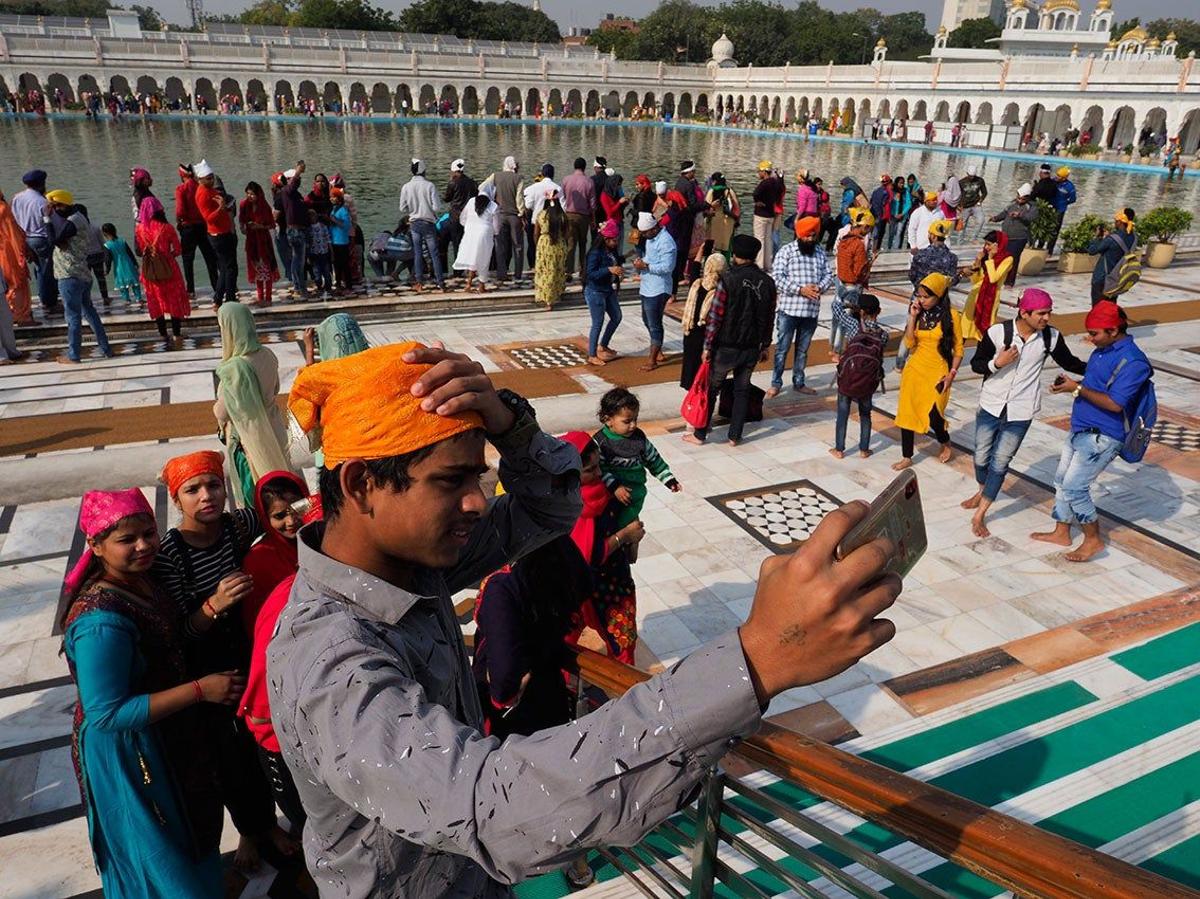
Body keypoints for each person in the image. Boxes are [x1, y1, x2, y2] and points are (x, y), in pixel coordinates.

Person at [269, 339, 899, 898]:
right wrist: (756, 660)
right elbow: (489, 808)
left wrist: (510, 426)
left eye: (480, 477)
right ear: (358, 485)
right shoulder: (326, 661)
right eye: (451, 480)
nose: (477, 500)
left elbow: (547, 511)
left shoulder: (407, 567)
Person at [60, 488, 232, 899]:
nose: (143, 546)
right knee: (157, 860)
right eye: (126, 540)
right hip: (128, 755)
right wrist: (199, 691)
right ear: (96, 546)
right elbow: (106, 714)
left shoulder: (142, 581)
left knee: (190, 839)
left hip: (164, 735)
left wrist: (211, 609)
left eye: (148, 534)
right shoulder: (100, 622)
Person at [152, 451, 296, 872]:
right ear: (177, 501)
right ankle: (253, 829)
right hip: (209, 664)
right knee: (229, 752)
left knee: (263, 739)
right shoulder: (170, 554)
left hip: (249, 648)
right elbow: (181, 631)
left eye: (213, 485)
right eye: (192, 490)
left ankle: (267, 821)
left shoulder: (236, 525)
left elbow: (276, 509)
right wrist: (213, 605)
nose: (206, 497)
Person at [1032, 301, 1152, 562]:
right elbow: (1096, 383)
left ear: (1113, 330)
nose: (1090, 338)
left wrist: (1076, 389)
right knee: (1061, 481)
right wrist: (1072, 385)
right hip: (1081, 426)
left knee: (1075, 487)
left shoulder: (1133, 362)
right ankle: (1062, 531)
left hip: (1103, 435)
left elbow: (1115, 403)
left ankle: (1093, 540)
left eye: (1095, 333)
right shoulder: (1103, 349)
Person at [964, 288, 1086, 538]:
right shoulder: (997, 333)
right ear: (1024, 312)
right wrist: (997, 363)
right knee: (981, 456)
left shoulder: (1050, 337)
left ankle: (981, 513)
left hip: (1022, 409)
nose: (1046, 318)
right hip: (991, 403)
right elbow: (976, 364)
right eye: (1041, 313)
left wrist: (1105, 371)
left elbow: (1071, 362)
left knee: (1000, 461)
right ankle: (982, 488)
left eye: (1049, 312)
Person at [237, 471, 309, 831]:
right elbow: (259, 629)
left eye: (297, 507)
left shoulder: (318, 539)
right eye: (279, 515)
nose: (291, 520)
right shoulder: (260, 560)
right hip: (282, 674)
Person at [473, 534, 594, 739]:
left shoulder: (503, 587)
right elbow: (584, 584)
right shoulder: (558, 548)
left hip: (515, 720)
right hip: (551, 693)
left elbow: (503, 686)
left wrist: (506, 691)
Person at [688, 233, 777, 446]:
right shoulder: (767, 282)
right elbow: (769, 316)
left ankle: (700, 434)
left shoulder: (728, 280)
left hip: (726, 346)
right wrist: (765, 345)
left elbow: (716, 317)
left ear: (735, 255)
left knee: (713, 389)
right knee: (742, 390)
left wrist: (707, 345)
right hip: (751, 347)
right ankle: (735, 435)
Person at [214, 302, 292, 504]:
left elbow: (223, 412)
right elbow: (275, 388)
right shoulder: (267, 354)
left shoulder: (235, 368)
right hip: (274, 426)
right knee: (280, 477)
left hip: (249, 438)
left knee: (257, 490)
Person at [593, 386, 681, 561]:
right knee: (620, 526)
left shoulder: (638, 438)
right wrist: (615, 487)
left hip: (635, 493)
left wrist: (668, 478)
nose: (633, 425)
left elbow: (653, 459)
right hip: (611, 496)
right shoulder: (601, 442)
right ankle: (620, 549)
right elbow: (599, 469)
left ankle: (629, 552)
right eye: (627, 421)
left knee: (633, 525)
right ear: (608, 419)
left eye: (635, 420)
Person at [893, 272, 963, 471]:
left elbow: (958, 349)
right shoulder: (918, 313)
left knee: (934, 414)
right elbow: (909, 343)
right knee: (908, 411)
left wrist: (952, 374)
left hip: (939, 371)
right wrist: (912, 317)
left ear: (939, 295)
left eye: (926, 297)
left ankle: (945, 441)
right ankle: (907, 456)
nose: (921, 300)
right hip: (915, 369)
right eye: (919, 296)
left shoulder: (952, 316)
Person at [45, 190, 112, 365]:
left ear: (63, 205)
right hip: (82, 274)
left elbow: (53, 239)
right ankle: (106, 348)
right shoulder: (80, 217)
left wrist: (46, 219)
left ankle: (73, 355)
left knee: (73, 316)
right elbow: (61, 238)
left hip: (70, 275)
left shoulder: (73, 222)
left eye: (55, 206)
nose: (54, 210)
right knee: (89, 312)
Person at [769, 217, 833, 398]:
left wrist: (820, 287)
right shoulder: (786, 251)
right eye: (807, 236)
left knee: (803, 351)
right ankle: (776, 383)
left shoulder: (819, 252)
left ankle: (799, 382)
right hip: (789, 310)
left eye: (814, 235)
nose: (810, 239)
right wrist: (800, 290)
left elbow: (829, 274)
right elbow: (777, 278)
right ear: (799, 234)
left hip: (810, 311)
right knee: (782, 348)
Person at [830, 293, 885, 460]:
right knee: (865, 414)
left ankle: (839, 449)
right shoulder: (883, 334)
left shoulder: (852, 324)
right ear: (879, 311)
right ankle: (864, 449)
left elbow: (835, 307)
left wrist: (847, 302)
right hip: (867, 380)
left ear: (860, 311)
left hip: (848, 377)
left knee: (842, 412)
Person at [134, 204, 192, 348]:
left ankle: (162, 333)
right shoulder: (167, 228)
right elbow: (178, 249)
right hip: (169, 269)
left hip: (150, 271)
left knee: (155, 300)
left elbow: (141, 250)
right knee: (174, 300)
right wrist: (167, 256)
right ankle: (177, 333)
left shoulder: (139, 229)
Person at [632, 210, 676, 372]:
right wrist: (641, 262)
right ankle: (657, 348)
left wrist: (647, 266)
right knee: (646, 319)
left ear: (653, 229)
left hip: (659, 288)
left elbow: (668, 267)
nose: (643, 236)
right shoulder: (651, 239)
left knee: (655, 322)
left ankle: (652, 360)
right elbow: (650, 259)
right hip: (647, 284)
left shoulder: (666, 242)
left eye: (645, 233)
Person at [12, 169, 59, 315]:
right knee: (47, 271)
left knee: (39, 270)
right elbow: (51, 222)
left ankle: (43, 297)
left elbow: (14, 220)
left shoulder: (17, 198)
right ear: (41, 184)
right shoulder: (42, 202)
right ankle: (49, 303)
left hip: (25, 239)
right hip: (41, 239)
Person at [194, 159, 239, 308]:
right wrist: (221, 208)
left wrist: (225, 207)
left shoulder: (209, 190)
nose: (211, 180)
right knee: (230, 268)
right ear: (200, 179)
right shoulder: (202, 194)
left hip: (222, 231)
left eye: (212, 177)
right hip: (219, 234)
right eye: (208, 178)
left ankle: (219, 299)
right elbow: (208, 218)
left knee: (226, 268)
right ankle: (229, 299)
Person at [399, 158, 447, 292]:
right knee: (434, 253)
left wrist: (413, 207)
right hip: (428, 222)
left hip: (414, 223)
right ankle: (440, 282)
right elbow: (436, 207)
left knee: (418, 253)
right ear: (423, 171)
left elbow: (402, 208)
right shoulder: (430, 186)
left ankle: (419, 282)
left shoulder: (406, 187)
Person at [680, 253, 726, 391]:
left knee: (690, 371)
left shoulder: (696, 284)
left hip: (690, 332)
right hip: (708, 337)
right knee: (706, 374)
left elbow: (695, 266)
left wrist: (701, 251)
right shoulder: (722, 290)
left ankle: (692, 401)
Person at [832, 211, 874, 354]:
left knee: (837, 315)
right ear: (865, 227)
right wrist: (867, 268)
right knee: (847, 319)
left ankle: (833, 347)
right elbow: (859, 269)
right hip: (852, 284)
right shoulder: (858, 244)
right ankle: (839, 350)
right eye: (869, 228)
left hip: (840, 279)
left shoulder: (844, 238)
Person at [959, 230, 1011, 343]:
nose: (986, 247)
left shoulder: (1007, 259)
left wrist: (990, 259)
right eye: (985, 244)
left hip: (990, 299)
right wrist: (977, 262)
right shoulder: (984, 257)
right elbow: (975, 281)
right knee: (965, 328)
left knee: (983, 331)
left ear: (997, 244)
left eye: (989, 244)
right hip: (975, 295)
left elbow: (993, 278)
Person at [584, 219, 624, 366]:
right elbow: (590, 274)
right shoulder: (595, 253)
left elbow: (615, 262)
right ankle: (592, 354)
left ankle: (604, 344)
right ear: (606, 239)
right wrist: (608, 270)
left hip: (608, 290)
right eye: (614, 240)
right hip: (595, 291)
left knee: (617, 316)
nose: (616, 242)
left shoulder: (611, 251)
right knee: (597, 323)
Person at [485, 156, 525, 284]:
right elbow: (519, 200)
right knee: (518, 246)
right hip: (514, 217)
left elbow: (482, 187)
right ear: (514, 166)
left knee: (500, 246)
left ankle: (501, 273)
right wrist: (522, 213)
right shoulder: (518, 178)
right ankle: (518, 274)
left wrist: (491, 202)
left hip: (499, 215)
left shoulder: (495, 176)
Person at [238, 182, 279, 307]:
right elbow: (241, 221)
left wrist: (259, 226)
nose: (250, 196)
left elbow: (271, 225)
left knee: (266, 268)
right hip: (252, 241)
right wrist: (243, 228)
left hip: (263, 241)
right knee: (257, 269)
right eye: (248, 194)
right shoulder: (244, 205)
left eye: (252, 194)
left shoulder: (264, 206)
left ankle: (268, 297)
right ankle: (260, 296)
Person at [989, 183, 1035, 287]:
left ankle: (1009, 281)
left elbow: (1031, 217)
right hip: (1005, 236)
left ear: (1027, 198)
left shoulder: (1031, 207)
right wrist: (995, 218)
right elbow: (1004, 213)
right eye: (1018, 198)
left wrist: (1019, 215)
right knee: (1001, 257)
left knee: (1012, 259)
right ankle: (999, 276)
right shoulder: (1012, 204)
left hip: (1019, 238)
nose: (1019, 200)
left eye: (1022, 199)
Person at [1087, 209, 1136, 305]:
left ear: (1120, 222)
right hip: (1117, 278)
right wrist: (1109, 237)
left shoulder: (1111, 239)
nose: (1115, 223)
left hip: (1102, 278)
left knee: (1098, 308)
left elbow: (1092, 250)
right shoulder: (1133, 237)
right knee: (1110, 306)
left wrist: (1098, 237)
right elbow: (1119, 244)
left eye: (1116, 221)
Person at [455, 188, 499, 293]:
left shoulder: (471, 201)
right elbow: (496, 226)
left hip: (470, 232)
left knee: (472, 258)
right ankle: (481, 286)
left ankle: (468, 284)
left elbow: (463, 217)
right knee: (484, 260)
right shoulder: (493, 205)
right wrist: (494, 233)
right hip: (485, 233)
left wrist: (468, 226)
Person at [0, 188, 34, 326]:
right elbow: (13, 234)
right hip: (9, 252)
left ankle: (11, 313)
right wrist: (21, 252)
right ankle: (21, 316)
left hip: (2, 251)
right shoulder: (3, 209)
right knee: (17, 282)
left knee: (7, 283)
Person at [531, 191, 569, 308]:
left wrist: (538, 244)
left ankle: (548, 299)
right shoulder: (562, 216)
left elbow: (536, 233)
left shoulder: (541, 215)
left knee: (545, 271)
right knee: (558, 270)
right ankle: (557, 293)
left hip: (544, 244)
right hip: (559, 244)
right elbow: (566, 233)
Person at [673, 160, 708, 287]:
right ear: (690, 172)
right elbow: (693, 205)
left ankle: (679, 274)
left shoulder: (679, 182)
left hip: (679, 219)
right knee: (683, 249)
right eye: (694, 171)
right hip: (686, 220)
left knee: (680, 249)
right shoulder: (688, 185)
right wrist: (707, 205)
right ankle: (680, 275)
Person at [277, 163, 310, 299]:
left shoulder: (295, 195)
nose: (298, 181)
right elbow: (292, 186)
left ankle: (300, 286)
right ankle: (298, 287)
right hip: (295, 231)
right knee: (298, 261)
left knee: (299, 260)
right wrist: (298, 172)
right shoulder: (287, 191)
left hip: (300, 230)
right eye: (296, 179)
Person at [562, 158, 597, 279]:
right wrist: (593, 220)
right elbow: (592, 204)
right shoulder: (589, 181)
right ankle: (582, 270)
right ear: (585, 167)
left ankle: (568, 271)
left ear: (574, 166)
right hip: (583, 217)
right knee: (583, 243)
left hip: (569, 215)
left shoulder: (566, 180)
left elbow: (563, 197)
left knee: (570, 243)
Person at [443, 159, 477, 266]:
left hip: (456, 216)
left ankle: (458, 269)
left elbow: (447, 198)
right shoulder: (472, 182)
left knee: (457, 243)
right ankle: (469, 267)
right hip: (469, 216)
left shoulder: (452, 182)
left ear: (454, 171)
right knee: (468, 243)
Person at [100, 222, 143, 308]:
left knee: (122, 284)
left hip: (119, 267)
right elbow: (130, 254)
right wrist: (136, 264)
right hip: (129, 264)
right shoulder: (122, 241)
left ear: (104, 233)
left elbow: (108, 260)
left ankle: (127, 299)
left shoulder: (107, 245)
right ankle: (139, 298)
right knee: (135, 282)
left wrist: (107, 270)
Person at [909, 219, 959, 291]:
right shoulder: (952, 258)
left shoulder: (920, 255)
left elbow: (912, 276)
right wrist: (961, 274)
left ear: (933, 237)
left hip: (920, 296)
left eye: (929, 234)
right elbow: (952, 281)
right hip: (940, 299)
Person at [751, 160, 783, 271]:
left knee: (760, 239)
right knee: (768, 240)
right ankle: (768, 264)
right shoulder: (775, 182)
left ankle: (759, 265)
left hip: (761, 214)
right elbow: (780, 193)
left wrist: (757, 201)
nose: (758, 173)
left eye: (759, 171)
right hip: (770, 214)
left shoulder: (765, 183)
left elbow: (755, 193)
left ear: (764, 172)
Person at [704, 172, 740, 258]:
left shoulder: (711, 191)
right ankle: (725, 264)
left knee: (711, 244)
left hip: (714, 220)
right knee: (726, 245)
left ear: (715, 181)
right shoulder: (729, 191)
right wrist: (737, 220)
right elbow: (737, 207)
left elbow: (706, 206)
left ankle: (708, 263)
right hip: (728, 221)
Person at [1045, 166, 1076, 255]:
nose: (1057, 177)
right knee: (1045, 227)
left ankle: (1049, 251)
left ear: (1065, 178)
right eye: (1057, 175)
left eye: (1059, 176)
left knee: (1054, 231)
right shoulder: (1053, 181)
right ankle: (1039, 247)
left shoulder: (1070, 187)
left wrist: (1064, 203)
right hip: (1050, 207)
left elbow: (1073, 199)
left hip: (1060, 210)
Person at [329, 188, 353, 294]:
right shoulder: (334, 209)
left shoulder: (343, 210)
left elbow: (347, 225)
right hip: (334, 240)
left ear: (338, 198)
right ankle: (338, 284)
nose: (331, 199)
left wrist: (334, 220)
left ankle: (348, 285)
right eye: (331, 197)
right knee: (336, 264)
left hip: (342, 241)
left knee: (344, 264)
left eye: (333, 197)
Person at [906, 190, 943, 254]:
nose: (935, 201)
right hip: (920, 247)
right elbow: (911, 230)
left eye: (936, 200)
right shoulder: (917, 213)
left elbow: (943, 230)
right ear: (927, 201)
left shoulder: (940, 213)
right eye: (933, 200)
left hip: (936, 248)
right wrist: (913, 246)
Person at [958, 165, 988, 239]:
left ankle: (974, 238)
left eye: (973, 176)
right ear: (967, 173)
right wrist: (959, 206)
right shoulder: (961, 182)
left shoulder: (980, 180)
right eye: (970, 176)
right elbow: (958, 195)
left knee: (981, 220)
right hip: (965, 206)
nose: (972, 178)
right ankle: (959, 241)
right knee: (963, 225)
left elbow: (984, 192)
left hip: (976, 205)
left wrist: (980, 202)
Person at [307, 209, 333, 296]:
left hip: (324, 252)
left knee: (326, 271)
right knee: (317, 272)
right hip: (314, 254)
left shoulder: (323, 226)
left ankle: (328, 287)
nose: (312, 218)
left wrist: (331, 252)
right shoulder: (308, 229)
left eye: (313, 216)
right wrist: (308, 256)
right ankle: (319, 287)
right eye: (309, 217)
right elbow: (308, 243)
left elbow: (328, 240)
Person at [868, 175, 893, 253]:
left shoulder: (876, 190)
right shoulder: (886, 193)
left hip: (872, 213)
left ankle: (867, 248)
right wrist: (883, 216)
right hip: (879, 215)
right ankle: (874, 250)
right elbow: (884, 205)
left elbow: (871, 202)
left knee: (869, 232)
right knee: (877, 233)